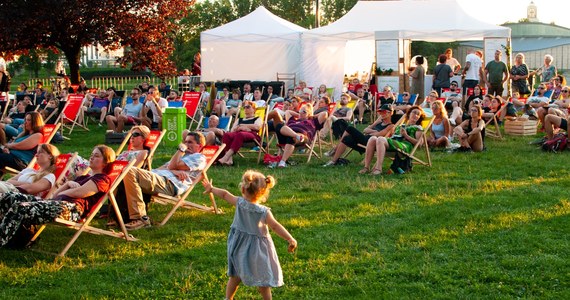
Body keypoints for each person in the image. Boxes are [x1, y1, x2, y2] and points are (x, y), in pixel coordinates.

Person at [201, 170, 297, 300]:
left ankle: (228, 298)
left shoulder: (239, 203)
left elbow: (224, 194)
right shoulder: (264, 212)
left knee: (235, 276)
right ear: (263, 192)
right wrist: (289, 238)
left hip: (238, 244)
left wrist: (211, 189)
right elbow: (275, 226)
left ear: (243, 188)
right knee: (263, 279)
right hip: (257, 251)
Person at [0, 145, 115, 247]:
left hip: (71, 209)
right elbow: (55, 194)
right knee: (10, 197)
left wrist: (63, 192)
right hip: (55, 203)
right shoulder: (82, 178)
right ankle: (13, 237)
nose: (91, 157)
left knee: (20, 207)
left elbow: (80, 192)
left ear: (106, 162)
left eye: (96, 156)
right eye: (92, 155)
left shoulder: (102, 179)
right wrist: (68, 184)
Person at [121, 132, 207, 230]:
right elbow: (162, 168)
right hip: (158, 177)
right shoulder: (181, 157)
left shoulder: (199, 157)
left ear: (199, 146)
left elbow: (172, 165)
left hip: (169, 184)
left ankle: (141, 218)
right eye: (185, 142)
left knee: (129, 170)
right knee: (124, 171)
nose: (186, 144)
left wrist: (181, 149)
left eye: (190, 142)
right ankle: (117, 215)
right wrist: (174, 171)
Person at [360, 106, 425, 175]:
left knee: (380, 139)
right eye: (414, 112)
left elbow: (419, 144)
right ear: (409, 114)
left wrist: (406, 136)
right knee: (373, 138)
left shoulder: (418, 128)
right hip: (394, 142)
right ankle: (366, 167)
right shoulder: (402, 125)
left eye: (418, 114)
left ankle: (378, 169)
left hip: (404, 146)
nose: (416, 115)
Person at [323, 104, 395, 167]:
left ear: (390, 113)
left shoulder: (391, 126)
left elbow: (379, 134)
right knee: (346, 138)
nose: (382, 114)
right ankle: (333, 161)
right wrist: (375, 124)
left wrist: (372, 132)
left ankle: (335, 149)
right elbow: (365, 130)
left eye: (384, 112)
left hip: (370, 143)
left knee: (350, 128)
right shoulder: (379, 123)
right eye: (380, 112)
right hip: (365, 139)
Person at [268, 103, 328, 168]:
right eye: (300, 111)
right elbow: (288, 112)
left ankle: (282, 162)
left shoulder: (313, 121)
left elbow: (325, 114)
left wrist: (310, 116)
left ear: (309, 114)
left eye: (304, 112)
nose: (301, 113)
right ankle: (296, 135)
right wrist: (300, 114)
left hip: (303, 137)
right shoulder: (292, 120)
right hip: (288, 135)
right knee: (279, 125)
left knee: (292, 138)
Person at [217, 101, 263, 166]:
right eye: (244, 107)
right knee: (227, 135)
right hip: (238, 133)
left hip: (251, 135)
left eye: (248, 107)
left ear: (254, 109)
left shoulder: (257, 118)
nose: (246, 109)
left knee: (240, 134)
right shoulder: (239, 119)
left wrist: (243, 126)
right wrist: (241, 127)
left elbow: (257, 127)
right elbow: (233, 129)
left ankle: (225, 157)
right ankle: (230, 160)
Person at [0, 112, 44, 176]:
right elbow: (13, 142)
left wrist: (6, 145)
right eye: (25, 120)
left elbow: (18, 146)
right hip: (11, 156)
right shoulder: (25, 134)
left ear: (36, 122)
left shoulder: (38, 135)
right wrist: (7, 148)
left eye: (29, 120)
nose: (25, 122)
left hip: (20, 161)